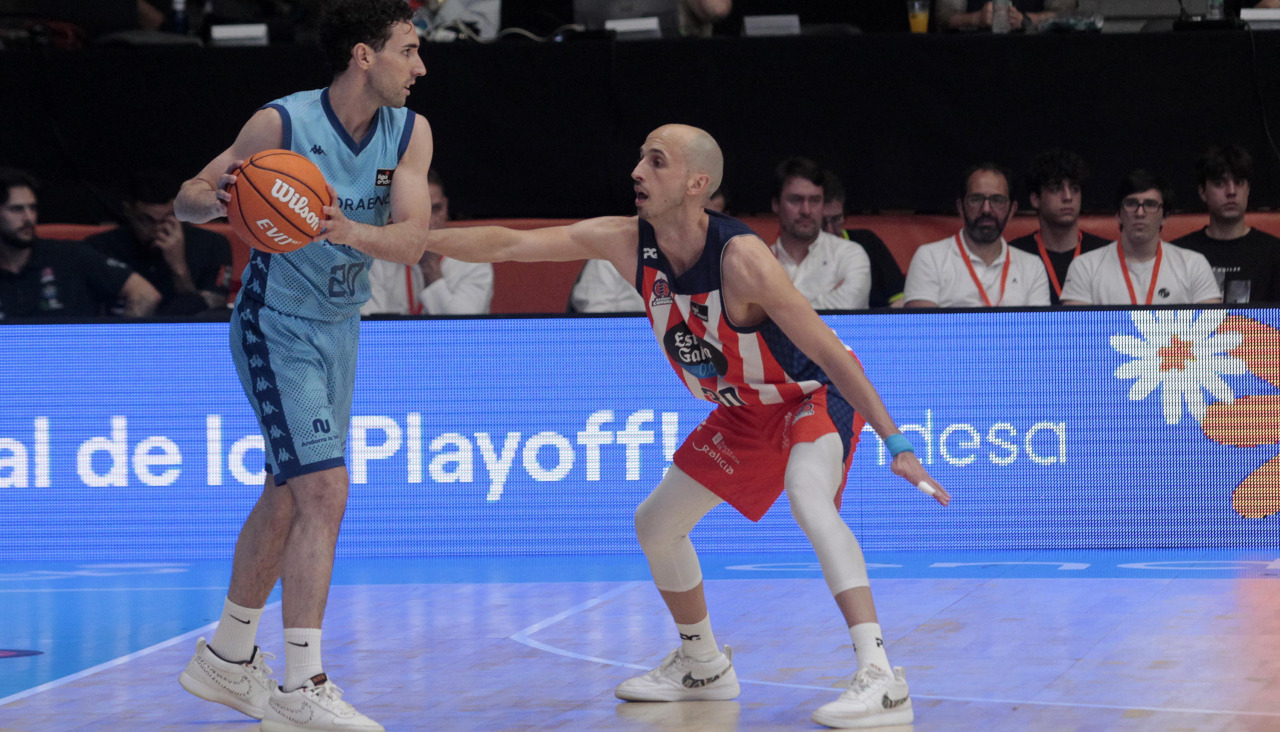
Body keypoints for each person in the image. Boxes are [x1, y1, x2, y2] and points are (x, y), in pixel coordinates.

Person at [424, 124, 950, 729]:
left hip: (810, 394)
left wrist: (898, 443)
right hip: (745, 409)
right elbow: (510, 246)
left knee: (809, 497)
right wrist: (411, 240)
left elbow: (831, 353)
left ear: (696, 184)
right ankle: (702, 661)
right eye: (640, 160)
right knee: (656, 523)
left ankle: (881, 676)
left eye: (656, 162)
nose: (637, 173)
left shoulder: (743, 260)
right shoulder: (627, 241)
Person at [173, 2, 433, 730]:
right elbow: (189, 199)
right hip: (273, 323)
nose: (420, 67)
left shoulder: (410, 133)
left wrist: (350, 229)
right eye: (408, 51)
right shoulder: (280, 126)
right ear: (363, 55)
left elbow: (412, 241)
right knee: (324, 489)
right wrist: (217, 196)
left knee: (290, 494)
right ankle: (301, 685)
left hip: (340, 328)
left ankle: (226, 656)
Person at [0, 167, 161, 320]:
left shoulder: (69, 255)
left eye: (32, 208)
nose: (29, 218)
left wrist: (118, 342)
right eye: (17, 209)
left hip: (72, 347)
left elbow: (144, 294)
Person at [1061, 170, 1221, 306]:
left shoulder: (1193, 265)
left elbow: (1211, 334)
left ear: (1165, 216)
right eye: (1131, 204)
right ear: (1118, 215)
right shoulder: (1085, 267)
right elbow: (1075, 336)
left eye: (1150, 205)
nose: (1140, 213)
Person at [86, 169, 234, 315]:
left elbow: (212, 314)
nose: (158, 229)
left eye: (167, 218)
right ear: (128, 210)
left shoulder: (213, 245)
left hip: (185, 335)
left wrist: (179, 268)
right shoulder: (100, 247)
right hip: (124, 334)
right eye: (147, 220)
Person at [903, 163, 1050, 308]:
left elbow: (1037, 331)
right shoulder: (930, 257)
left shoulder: (1032, 266)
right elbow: (922, 329)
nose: (986, 209)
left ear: (1012, 210)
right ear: (961, 207)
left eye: (997, 200)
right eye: (976, 199)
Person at [567, 187, 729, 313]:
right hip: (628, 344)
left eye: (713, 218)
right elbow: (596, 315)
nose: (704, 226)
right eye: (697, 217)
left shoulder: (721, 258)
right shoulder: (617, 245)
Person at [363, 169, 492, 315]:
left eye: (435, 209)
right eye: (418, 211)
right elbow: (372, 329)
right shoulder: (375, 259)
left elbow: (463, 331)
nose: (429, 222)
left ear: (445, 207)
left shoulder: (474, 259)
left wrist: (430, 270)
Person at [1172, 145, 1280, 304]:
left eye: (1239, 182)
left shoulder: (1274, 253)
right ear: (1202, 192)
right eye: (1219, 183)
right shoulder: (1178, 254)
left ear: (1248, 189)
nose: (1231, 191)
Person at [1007, 150, 1109, 306]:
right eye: (1056, 189)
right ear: (1035, 199)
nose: (1068, 197)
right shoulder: (1013, 255)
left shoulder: (1106, 253)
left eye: (1075, 188)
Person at [769, 158, 870, 310]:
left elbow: (847, 307)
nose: (806, 210)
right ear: (776, 204)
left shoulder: (849, 254)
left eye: (815, 200)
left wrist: (775, 312)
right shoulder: (759, 260)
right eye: (796, 200)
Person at [822, 171, 906, 308]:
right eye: (822, 222)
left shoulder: (868, 242)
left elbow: (899, 300)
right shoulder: (797, 254)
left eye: (836, 219)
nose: (830, 230)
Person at [935, 0, 1074, 31]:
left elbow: (1067, 14)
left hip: (1036, 58)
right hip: (972, 59)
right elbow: (943, 16)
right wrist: (975, 18)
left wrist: (1029, 20)